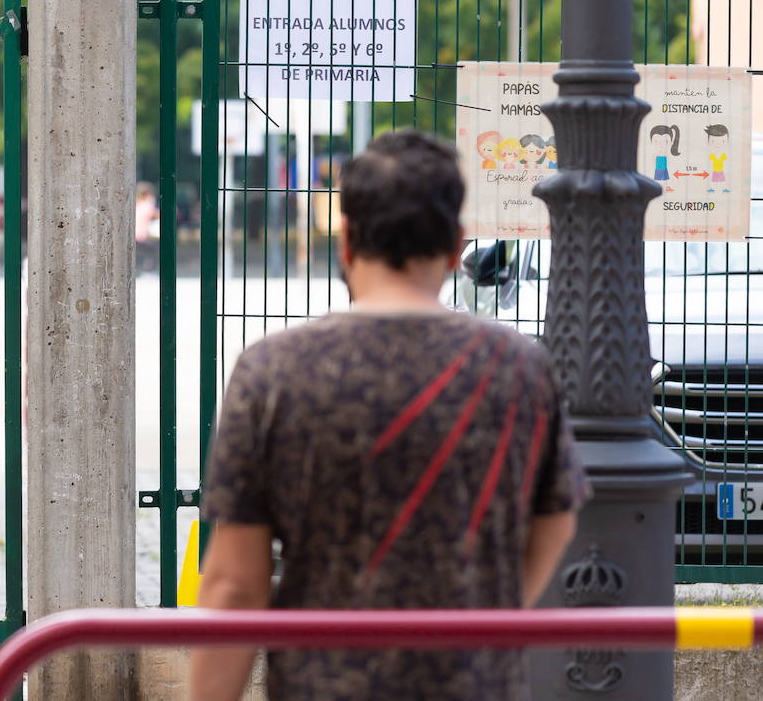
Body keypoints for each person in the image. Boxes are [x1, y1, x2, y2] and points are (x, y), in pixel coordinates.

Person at [190, 129, 588, 701]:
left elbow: (233, 585)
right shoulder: (519, 367)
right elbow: (557, 519)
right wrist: (486, 620)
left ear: (346, 240)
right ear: (456, 246)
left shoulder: (273, 372)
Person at [134, 181, 159, 273]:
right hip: (141, 235)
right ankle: (148, 268)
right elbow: (151, 213)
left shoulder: (136, 203)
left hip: (136, 234)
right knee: (152, 250)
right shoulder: (146, 204)